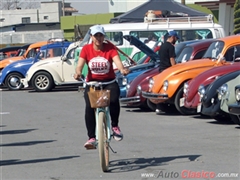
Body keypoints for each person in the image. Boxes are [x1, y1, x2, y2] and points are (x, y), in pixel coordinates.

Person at [74, 24, 129, 150]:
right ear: (91, 37)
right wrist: (78, 73)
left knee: (114, 100)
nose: (98, 38)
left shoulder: (110, 48)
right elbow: (80, 65)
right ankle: (91, 137)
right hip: (92, 83)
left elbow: (117, 61)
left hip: (109, 81)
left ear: (104, 37)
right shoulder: (86, 49)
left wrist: (122, 69)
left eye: (100, 35)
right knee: (89, 107)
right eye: (96, 35)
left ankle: (115, 126)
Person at [156, 30, 179, 114]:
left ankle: (159, 107)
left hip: (161, 69)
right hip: (168, 70)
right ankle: (165, 107)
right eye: (176, 38)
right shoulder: (170, 47)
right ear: (172, 37)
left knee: (160, 89)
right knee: (167, 89)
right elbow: (172, 59)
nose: (176, 40)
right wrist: (175, 68)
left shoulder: (162, 46)